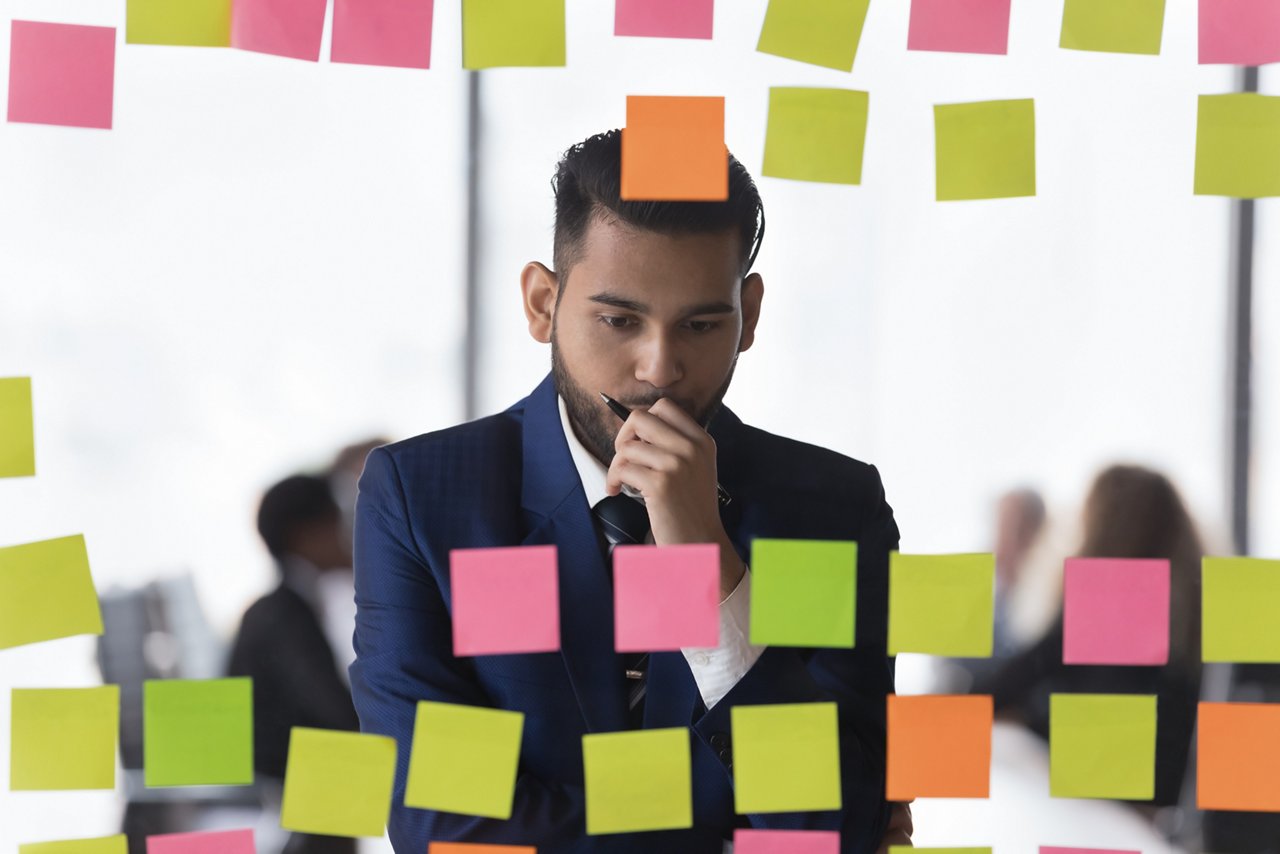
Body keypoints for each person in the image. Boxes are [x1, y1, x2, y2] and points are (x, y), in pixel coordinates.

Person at [351, 130, 911, 853]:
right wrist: (725, 831)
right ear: (542, 303)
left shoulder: (831, 510)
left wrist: (712, 573)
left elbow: (835, 823)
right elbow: (442, 824)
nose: (660, 368)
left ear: (750, 317)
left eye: (702, 324)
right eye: (619, 320)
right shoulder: (423, 499)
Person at [973, 464, 1204, 816]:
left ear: (1102, 526)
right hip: (1178, 815)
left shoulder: (1109, 601)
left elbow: (997, 691)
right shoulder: (1199, 608)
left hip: (1108, 812)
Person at [228, 474, 361, 854]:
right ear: (306, 534)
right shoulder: (284, 613)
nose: (349, 535)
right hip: (284, 782)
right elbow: (334, 710)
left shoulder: (282, 606)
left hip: (293, 776)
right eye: (338, 522)